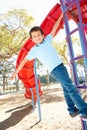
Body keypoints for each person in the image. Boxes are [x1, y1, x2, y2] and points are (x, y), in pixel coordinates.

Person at [10, 13, 87, 118]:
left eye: (38, 35)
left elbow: (54, 28)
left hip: (61, 66)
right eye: (34, 36)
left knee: (66, 88)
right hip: (55, 70)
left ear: (42, 35)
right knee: (71, 88)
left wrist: (60, 16)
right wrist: (16, 72)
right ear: (32, 39)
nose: (37, 37)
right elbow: (23, 61)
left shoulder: (47, 40)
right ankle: (84, 110)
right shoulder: (33, 50)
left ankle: (72, 110)